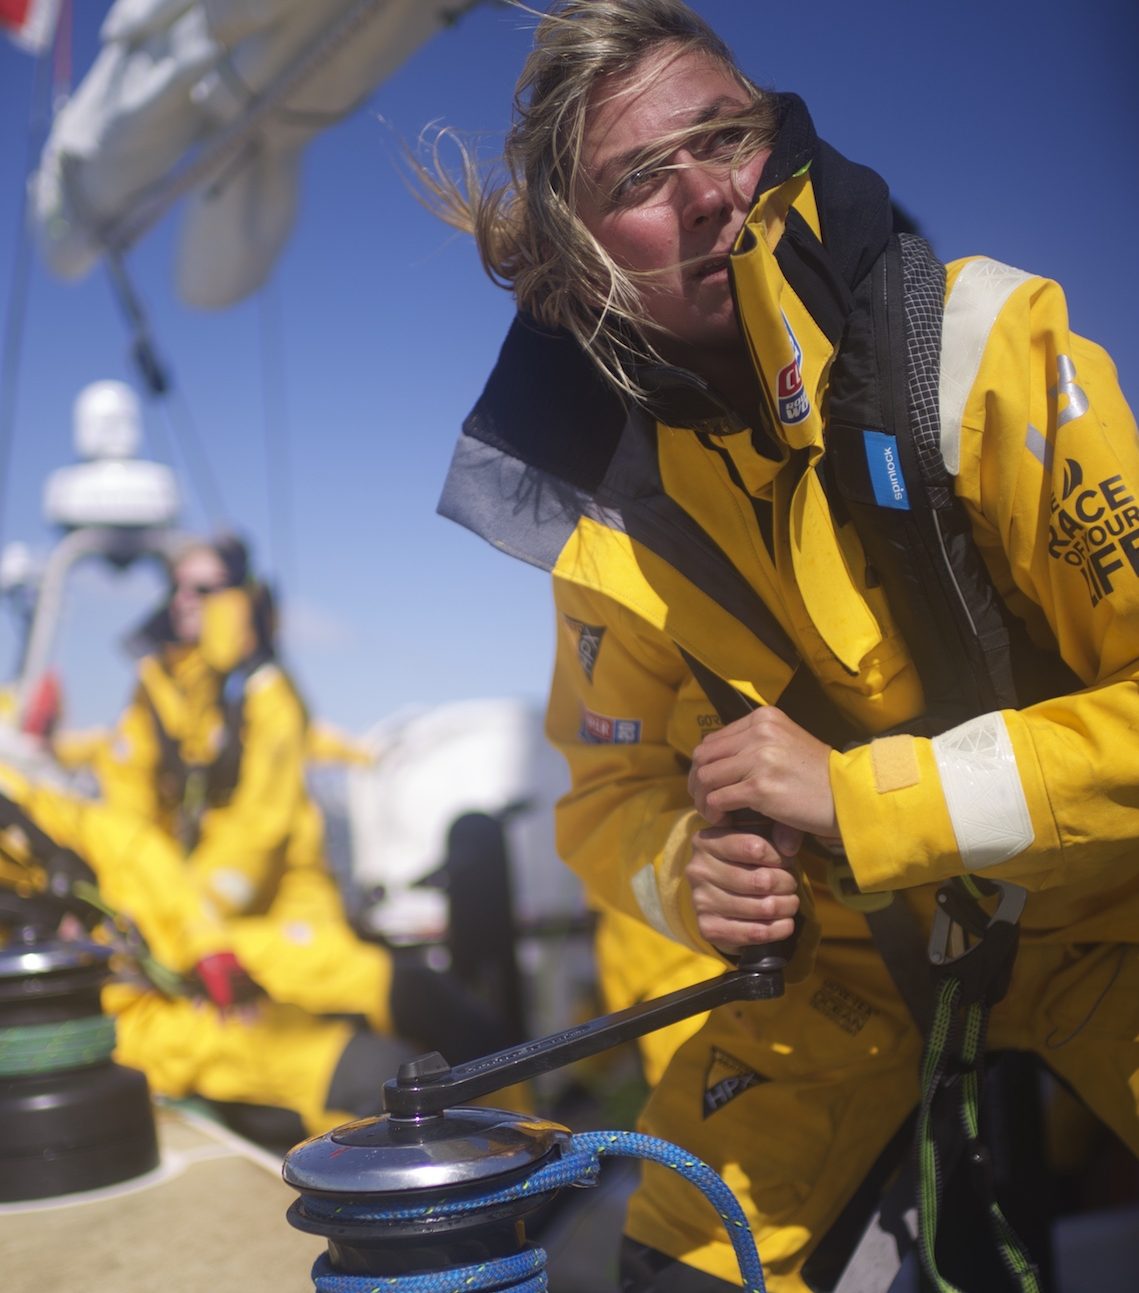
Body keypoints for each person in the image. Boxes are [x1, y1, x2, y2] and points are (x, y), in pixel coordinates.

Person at [425, 2, 1139, 1289]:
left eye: (726, 135)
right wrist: (686, 866)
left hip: (1109, 926)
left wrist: (863, 800)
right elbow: (606, 801)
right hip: (843, 980)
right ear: (575, 259)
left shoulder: (975, 356)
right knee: (667, 1271)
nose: (707, 191)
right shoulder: (597, 511)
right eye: (640, 176)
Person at [95, 534, 515, 1136]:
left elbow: (257, 834)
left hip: (272, 926)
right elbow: (124, 813)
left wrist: (178, 921)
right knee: (371, 1056)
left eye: (205, 589)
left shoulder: (266, 696)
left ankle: (522, 1134)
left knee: (425, 1005)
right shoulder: (158, 694)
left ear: (241, 598)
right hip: (199, 932)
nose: (184, 600)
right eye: (178, 587)